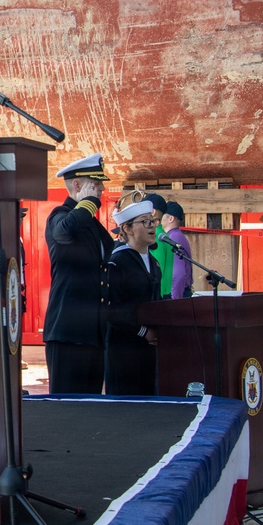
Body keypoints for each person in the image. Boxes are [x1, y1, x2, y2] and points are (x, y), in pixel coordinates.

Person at [42, 153, 114, 394]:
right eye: (95, 185)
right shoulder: (60, 216)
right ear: (77, 185)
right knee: (66, 407)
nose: (102, 189)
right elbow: (64, 233)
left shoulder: (91, 223)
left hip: (92, 331)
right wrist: (89, 203)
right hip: (68, 332)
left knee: (90, 406)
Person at [104, 200, 163, 395]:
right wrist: (143, 331)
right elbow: (113, 310)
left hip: (149, 346)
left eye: (153, 221)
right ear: (127, 228)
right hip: (124, 347)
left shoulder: (153, 263)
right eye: (145, 222)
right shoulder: (118, 261)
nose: (152, 226)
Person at [143, 193, 173, 299]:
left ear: (153, 211)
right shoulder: (164, 235)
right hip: (164, 293)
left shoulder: (156, 237)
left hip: (159, 295)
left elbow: (156, 270)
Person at [162, 201, 193, 298]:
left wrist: (175, 302)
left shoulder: (173, 238)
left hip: (177, 294)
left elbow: (178, 275)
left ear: (170, 218)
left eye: (161, 215)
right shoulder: (174, 236)